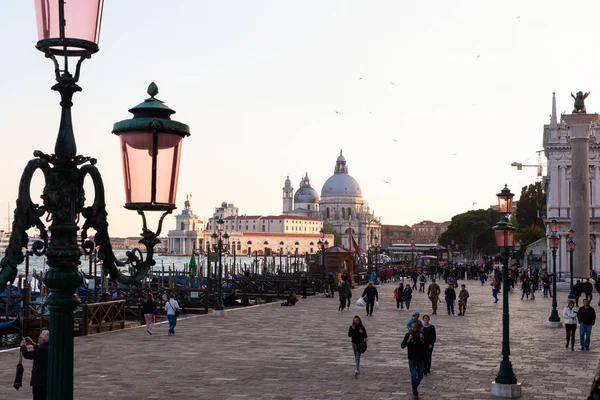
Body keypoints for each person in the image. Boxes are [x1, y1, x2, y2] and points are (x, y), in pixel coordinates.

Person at [401, 321, 428, 399]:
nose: (413, 329)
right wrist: (408, 340)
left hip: (420, 358)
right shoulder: (408, 335)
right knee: (413, 375)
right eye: (412, 327)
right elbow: (402, 345)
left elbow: (426, 346)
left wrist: (423, 340)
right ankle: (414, 390)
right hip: (412, 358)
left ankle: (414, 387)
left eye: (414, 327)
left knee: (420, 375)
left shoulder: (422, 335)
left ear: (418, 328)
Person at [20, 330, 49, 400]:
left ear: (44, 340)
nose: (38, 338)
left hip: (39, 381)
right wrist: (32, 343)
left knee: (38, 397)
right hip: (46, 380)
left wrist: (23, 346)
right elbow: (39, 351)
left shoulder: (42, 349)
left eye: (40, 337)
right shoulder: (47, 347)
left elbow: (27, 355)